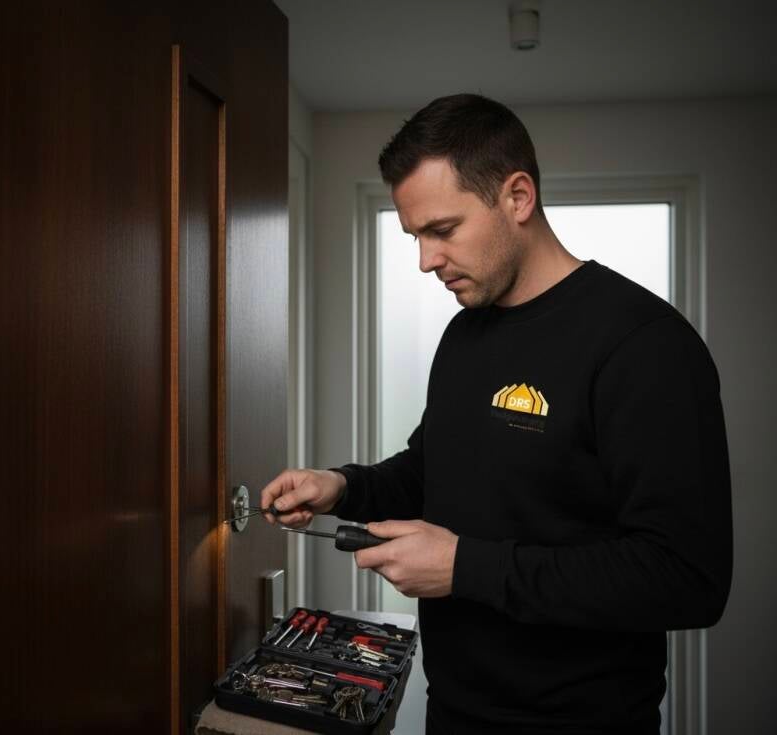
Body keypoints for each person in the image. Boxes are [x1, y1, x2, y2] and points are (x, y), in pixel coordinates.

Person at [260, 93, 733, 734]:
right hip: (453, 712)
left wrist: (465, 568)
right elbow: (434, 469)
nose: (425, 260)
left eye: (443, 230)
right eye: (416, 236)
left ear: (518, 197)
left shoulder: (643, 344)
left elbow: (686, 579)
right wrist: (341, 487)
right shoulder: (467, 333)